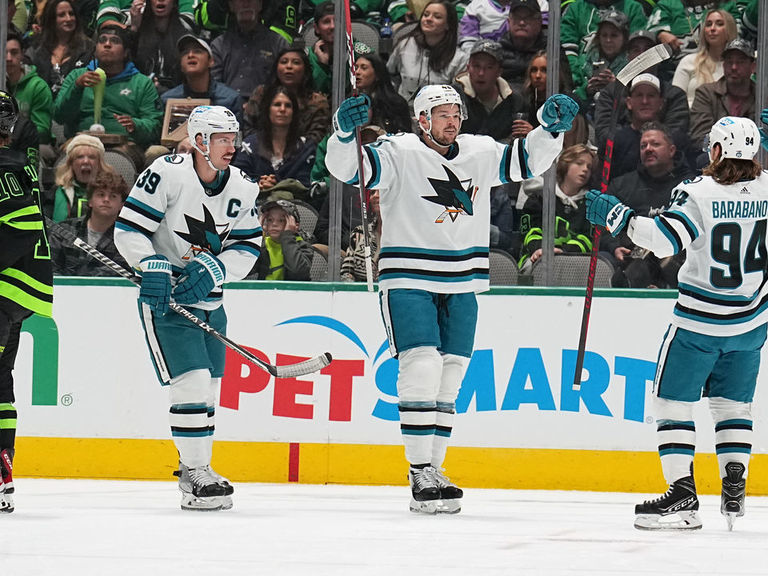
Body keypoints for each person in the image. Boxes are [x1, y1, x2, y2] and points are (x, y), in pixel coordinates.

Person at [326, 84, 575, 513]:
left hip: (464, 280)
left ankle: (435, 469)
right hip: (408, 276)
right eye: (442, 114)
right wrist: (343, 135)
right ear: (422, 120)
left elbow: (526, 161)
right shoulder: (398, 150)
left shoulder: (478, 151)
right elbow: (350, 170)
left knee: (450, 376)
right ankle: (419, 470)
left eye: (456, 113)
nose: (452, 120)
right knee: (421, 367)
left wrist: (549, 130)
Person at [585, 116, 768, 531]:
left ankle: (683, 497)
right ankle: (734, 484)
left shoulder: (699, 192)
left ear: (717, 151)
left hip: (699, 323)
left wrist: (619, 217)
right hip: (751, 323)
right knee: (733, 406)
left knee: (672, 402)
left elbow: (663, 240)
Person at [113, 106, 262, 511]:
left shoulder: (244, 187)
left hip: (211, 302)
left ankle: (196, 465)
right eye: (222, 139)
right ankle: (195, 474)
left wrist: (217, 269)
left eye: (234, 138)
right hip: (169, 302)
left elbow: (248, 247)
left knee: (209, 388)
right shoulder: (167, 172)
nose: (232, 147)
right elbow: (129, 230)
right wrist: (152, 264)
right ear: (200, 141)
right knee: (192, 383)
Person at [0, 91, 54, 514]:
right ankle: (3, 475)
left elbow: (21, 225)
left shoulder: (4, 166)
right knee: (1, 382)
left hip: (8, 286)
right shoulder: (18, 163)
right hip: (21, 287)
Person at [53, 21, 164, 168]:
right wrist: (77, 88)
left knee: (116, 158)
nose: (107, 44)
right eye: (102, 40)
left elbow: (155, 126)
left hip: (126, 145)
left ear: (125, 52)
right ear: (95, 49)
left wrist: (135, 125)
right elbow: (59, 115)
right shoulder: (77, 76)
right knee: (77, 153)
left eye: (115, 41)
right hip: (81, 141)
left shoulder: (141, 83)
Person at [600, 122, 694, 288]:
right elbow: (603, 224)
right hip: (635, 262)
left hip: (680, 263)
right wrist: (614, 247)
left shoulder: (691, 186)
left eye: (655, 144)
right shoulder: (621, 185)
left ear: (672, 150)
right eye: (643, 146)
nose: (648, 149)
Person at [518, 143, 594, 270]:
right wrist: (541, 249)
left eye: (589, 167)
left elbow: (587, 239)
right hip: (535, 258)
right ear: (565, 164)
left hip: (575, 262)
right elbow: (529, 233)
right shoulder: (538, 199)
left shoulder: (591, 206)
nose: (585, 169)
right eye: (579, 163)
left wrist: (562, 252)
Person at [232, 85, 317, 191]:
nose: (282, 109)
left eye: (288, 106)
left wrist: (276, 184)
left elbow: (307, 185)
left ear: (294, 111)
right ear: (267, 109)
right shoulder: (249, 146)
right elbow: (237, 179)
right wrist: (258, 183)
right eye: (277, 104)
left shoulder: (306, 149)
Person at [49, 167, 130, 276]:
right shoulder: (64, 230)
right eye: (101, 194)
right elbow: (50, 268)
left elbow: (120, 275)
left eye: (113, 196)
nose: (106, 199)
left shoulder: (127, 238)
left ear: (122, 205)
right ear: (90, 201)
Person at [386, 0, 469, 104]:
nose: (428, 19)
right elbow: (390, 75)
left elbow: (458, 97)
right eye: (426, 15)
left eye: (437, 17)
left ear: (448, 25)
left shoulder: (459, 58)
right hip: (402, 112)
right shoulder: (404, 44)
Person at [242, 47, 330, 142]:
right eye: (284, 62)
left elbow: (318, 137)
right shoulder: (261, 94)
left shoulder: (317, 101)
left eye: (296, 62)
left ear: (305, 70)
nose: (289, 66)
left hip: (303, 153)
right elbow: (248, 128)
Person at [209, 0, 289, 100]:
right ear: (231, 6)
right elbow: (214, 86)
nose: (246, 4)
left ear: (260, 5)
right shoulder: (219, 45)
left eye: (251, 0)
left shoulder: (278, 44)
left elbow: (285, 87)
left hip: (266, 109)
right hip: (227, 108)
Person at [689, 38, 756, 154]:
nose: (734, 67)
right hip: (715, 156)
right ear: (724, 65)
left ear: (753, 67)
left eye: (740, 62)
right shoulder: (706, 93)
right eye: (729, 62)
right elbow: (700, 137)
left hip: (752, 157)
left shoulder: (762, 96)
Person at [453, 39, 525, 142]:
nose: (481, 73)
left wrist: (529, 133)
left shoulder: (515, 100)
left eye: (489, 67)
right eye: (476, 66)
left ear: (499, 71)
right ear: (468, 68)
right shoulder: (454, 97)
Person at [161, 35, 242, 121]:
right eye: (185, 52)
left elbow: (237, 133)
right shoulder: (168, 100)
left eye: (197, 51)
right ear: (181, 65)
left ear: (211, 62)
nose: (190, 55)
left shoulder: (231, 99)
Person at [26, 0, 95, 97]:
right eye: (62, 15)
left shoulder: (89, 48)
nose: (68, 18)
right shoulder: (36, 48)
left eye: (71, 14)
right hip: (41, 105)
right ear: (51, 19)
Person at [671, 8, 737, 107]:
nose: (712, 28)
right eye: (708, 24)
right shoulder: (688, 62)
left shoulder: (736, 67)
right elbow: (674, 103)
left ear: (729, 30)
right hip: (690, 118)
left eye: (719, 24)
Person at [128, 0, 195, 94]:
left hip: (176, 95)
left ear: (174, 3)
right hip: (141, 92)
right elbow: (127, 66)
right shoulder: (137, 34)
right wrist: (134, 28)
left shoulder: (185, 37)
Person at [5, 31, 54, 146]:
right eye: (3, 52)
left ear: (22, 54)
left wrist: (11, 135)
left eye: (14, 52)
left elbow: (42, 130)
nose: (8, 58)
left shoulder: (38, 87)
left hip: (31, 146)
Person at [572, 10, 628, 108]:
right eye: (604, 35)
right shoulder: (586, 61)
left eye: (614, 35)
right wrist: (587, 90)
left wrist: (615, 87)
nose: (608, 40)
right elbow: (574, 97)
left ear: (624, 37)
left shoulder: (631, 64)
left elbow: (635, 100)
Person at [49, 134, 110, 221]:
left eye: (92, 157)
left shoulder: (111, 192)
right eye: (80, 157)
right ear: (71, 164)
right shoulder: (56, 192)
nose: (86, 161)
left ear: (99, 164)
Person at [249, 199, 313, 280]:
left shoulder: (304, 247)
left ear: (295, 225)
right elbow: (244, 270)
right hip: (266, 292)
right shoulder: (263, 245)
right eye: (270, 220)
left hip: (293, 292)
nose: (274, 224)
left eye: (281, 220)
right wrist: (256, 236)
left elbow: (297, 272)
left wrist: (287, 237)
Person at [498, 0, 547, 91]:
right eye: (517, 17)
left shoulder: (551, 50)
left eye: (528, 18)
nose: (521, 23)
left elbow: (565, 87)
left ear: (539, 22)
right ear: (509, 21)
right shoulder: (498, 50)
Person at [341, 190, 381, 282]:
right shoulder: (359, 232)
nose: (375, 195)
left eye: (382, 192)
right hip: (362, 294)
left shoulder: (404, 236)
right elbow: (347, 272)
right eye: (372, 192)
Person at [306, 1, 337, 97]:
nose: (333, 26)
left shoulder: (357, 53)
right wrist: (323, 66)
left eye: (337, 21)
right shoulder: (306, 58)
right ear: (317, 28)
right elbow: (314, 94)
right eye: (326, 22)